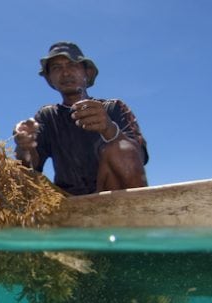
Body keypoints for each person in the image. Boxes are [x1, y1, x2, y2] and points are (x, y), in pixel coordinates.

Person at [14, 42, 148, 195]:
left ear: (87, 73)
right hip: (68, 201)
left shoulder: (114, 107)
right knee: (17, 173)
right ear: (50, 79)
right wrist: (24, 145)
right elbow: (28, 167)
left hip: (113, 195)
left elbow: (136, 159)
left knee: (120, 148)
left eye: (72, 65)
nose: (65, 73)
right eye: (57, 68)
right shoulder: (47, 116)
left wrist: (110, 130)